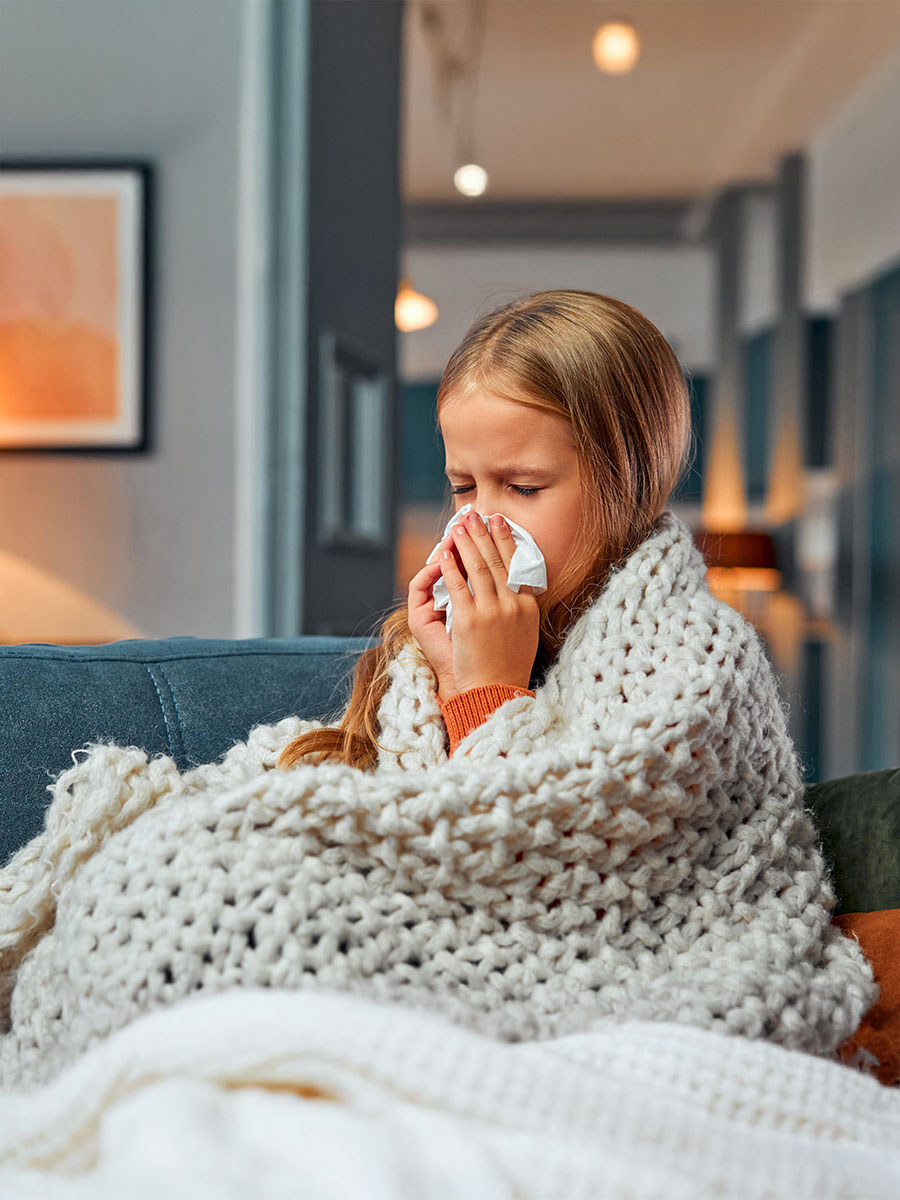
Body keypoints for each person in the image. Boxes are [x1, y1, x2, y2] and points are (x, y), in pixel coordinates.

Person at [278, 288, 692, 769]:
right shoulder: (418, 652)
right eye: (463, 486)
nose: (480, 521)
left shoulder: (688, 664)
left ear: (630, 486)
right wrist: (453, 678)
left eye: (522, 487)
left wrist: (488, 690)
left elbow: (515, 829)